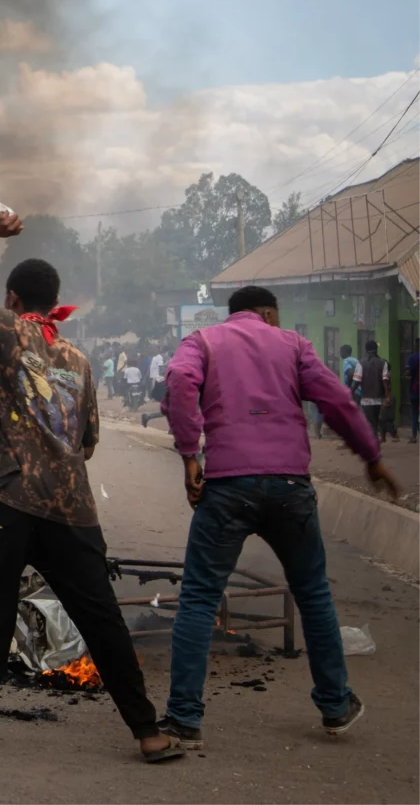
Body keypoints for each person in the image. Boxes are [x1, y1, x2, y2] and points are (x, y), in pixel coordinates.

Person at [0, 210, 183, 763]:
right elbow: (87, 442)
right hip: (73, 507)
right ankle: (148, 733)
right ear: (52, 300)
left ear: (13, 298)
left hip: (12, 498)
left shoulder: (0, 329)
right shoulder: (79, 361)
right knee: (102, 618)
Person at [159, 286, 401, 748]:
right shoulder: (292, 344)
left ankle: (184, 716)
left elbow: (178, 383)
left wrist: (190, 455)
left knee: (198, 598)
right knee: (312, 594)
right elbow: (336, 402)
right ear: (268, 313)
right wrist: (371, 457)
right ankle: (335, 705)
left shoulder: (203, 342)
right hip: (291, 486)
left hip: (227, 486)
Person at [352, 340, 390, 443]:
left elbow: (356, 382)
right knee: (376, 422)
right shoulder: (383, 363)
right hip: (379, 399)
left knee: (370, 424)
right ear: (376, 349)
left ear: (366, 350)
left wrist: (350, 392)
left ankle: (375, 444)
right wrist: (387, 396)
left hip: (366, 400)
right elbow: (385, 381)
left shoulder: (361, 364)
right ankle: (375, 443)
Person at [408, 346, 420, 443]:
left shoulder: (412, 358)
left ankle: (414, 436)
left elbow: (409, 372)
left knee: (415, 413)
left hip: (415, 389)